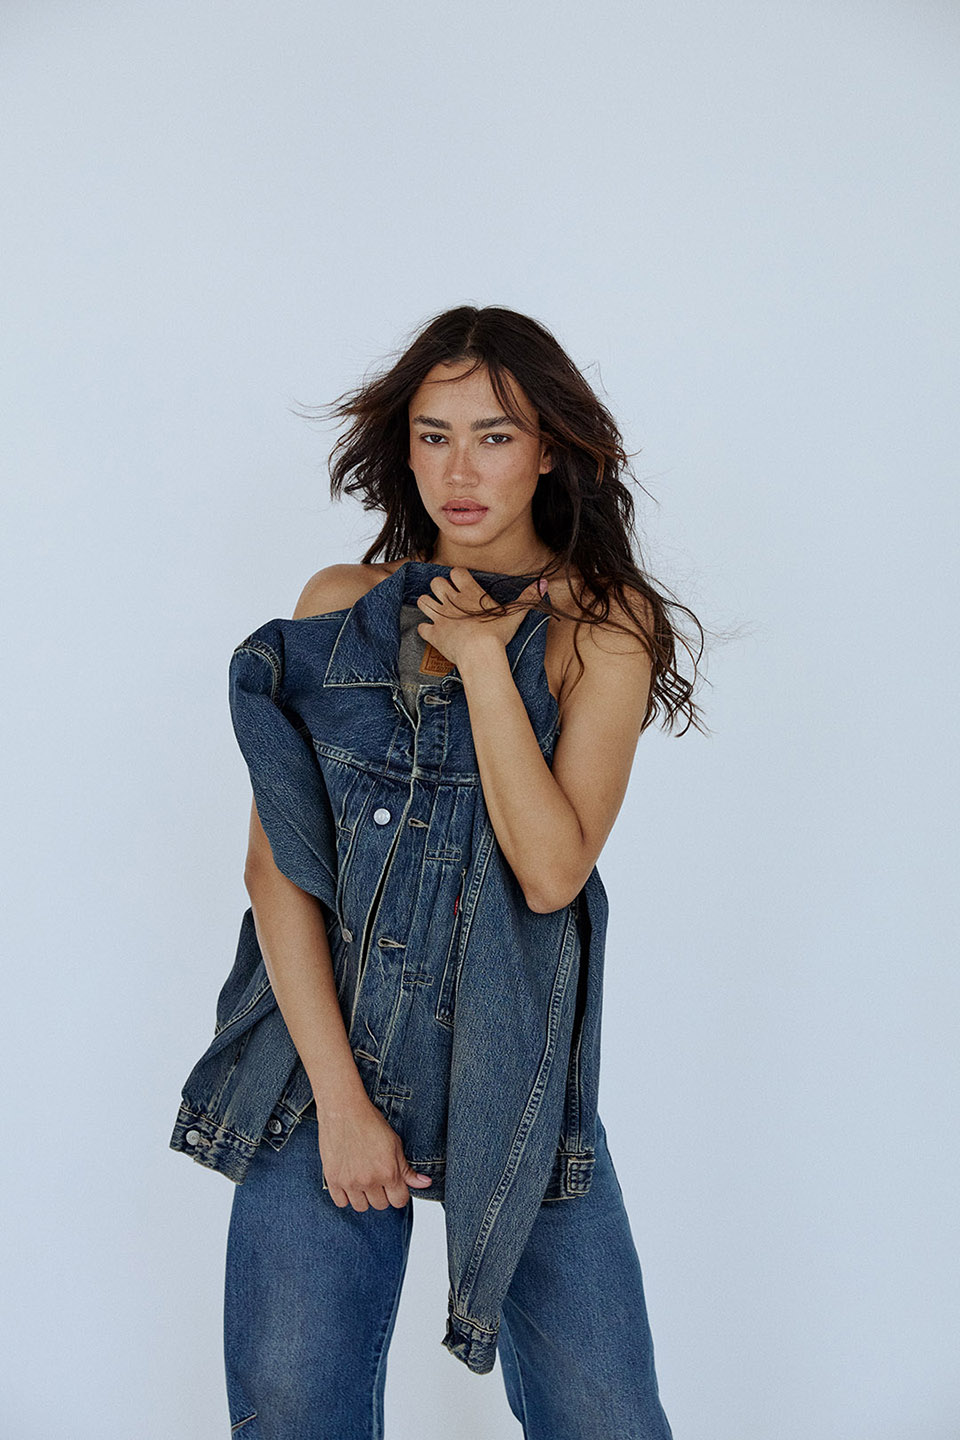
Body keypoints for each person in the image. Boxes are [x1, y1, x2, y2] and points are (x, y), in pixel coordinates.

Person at [172, 305, 705, 1438]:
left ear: (548, 450)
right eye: (433, 435)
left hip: (518, 1079)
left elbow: (551, 871)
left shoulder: (604, 625)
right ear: (404, 447)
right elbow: (277, 874)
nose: (459, 471)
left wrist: (481, 661)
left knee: (609, 1419)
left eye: (495, 437)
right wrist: (342, 1104)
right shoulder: (337, 606)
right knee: (292, 1413)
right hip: (320, 1066)